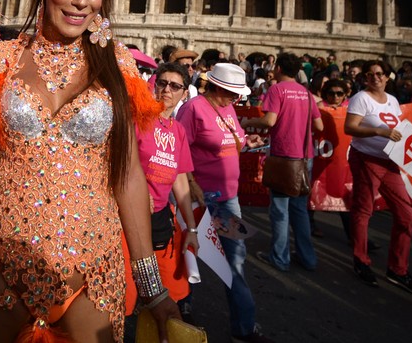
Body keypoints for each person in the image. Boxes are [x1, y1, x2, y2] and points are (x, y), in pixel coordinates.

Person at [0, 0, 179, 341]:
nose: (82, 1)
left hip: (92, 270)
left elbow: (127, 175)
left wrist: (151, 284)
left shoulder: (119, 64)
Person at [178, 63, 271, 342]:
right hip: (200, 198)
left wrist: (248, 141)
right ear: (216, 87)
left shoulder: (228, 107)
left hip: (228, 200)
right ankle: (181, 313)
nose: (237, 98)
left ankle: (243, 328)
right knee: (189, 257)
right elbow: (178, 148)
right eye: (232, 93)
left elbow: (234, 141)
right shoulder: (193, 108)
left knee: (236, 262)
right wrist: (191, 183)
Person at [344, 61, 412, 296]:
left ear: (387, 77)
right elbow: (349, 128)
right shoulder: (361, 98)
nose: (375, 78)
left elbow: (399, 127)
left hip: (391, 161)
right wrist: (378, 131)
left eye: (380, 74)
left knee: (406, 215)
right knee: (364, 210)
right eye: (370, 75)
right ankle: (361, 260)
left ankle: (398, 269)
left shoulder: (393, 100)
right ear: (364, 79)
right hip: (366, 159)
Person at [122, 61, 199, 323]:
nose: (167, 90)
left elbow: (179, 180)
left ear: (184, 94)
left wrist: (191, 228)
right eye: (162, 83)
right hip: (127, 218)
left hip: (160, 219)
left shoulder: (178, 131)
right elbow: (120, 164)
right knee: (124, 297)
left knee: (170, 292)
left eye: (175, 86)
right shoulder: (135, 118)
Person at [241, 53, 322, 272]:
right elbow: (320, 126)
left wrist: (248, 122)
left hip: (284, 154)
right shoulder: (306, 93)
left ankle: (279, 257)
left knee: (279, 210)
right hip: (305, 157)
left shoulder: (277, 89)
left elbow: (269, 120)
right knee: (299, 210)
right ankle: (308, 258)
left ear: (278, 68)